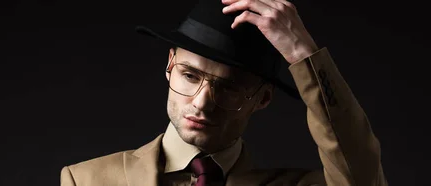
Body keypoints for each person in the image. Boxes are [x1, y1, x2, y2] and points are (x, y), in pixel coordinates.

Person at [60, 0, 388, 185]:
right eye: (190, 76)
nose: (202, 103)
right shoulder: (86, 180)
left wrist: (305, 55)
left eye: (228, 88)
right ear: (170, 65)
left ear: (262, 98)